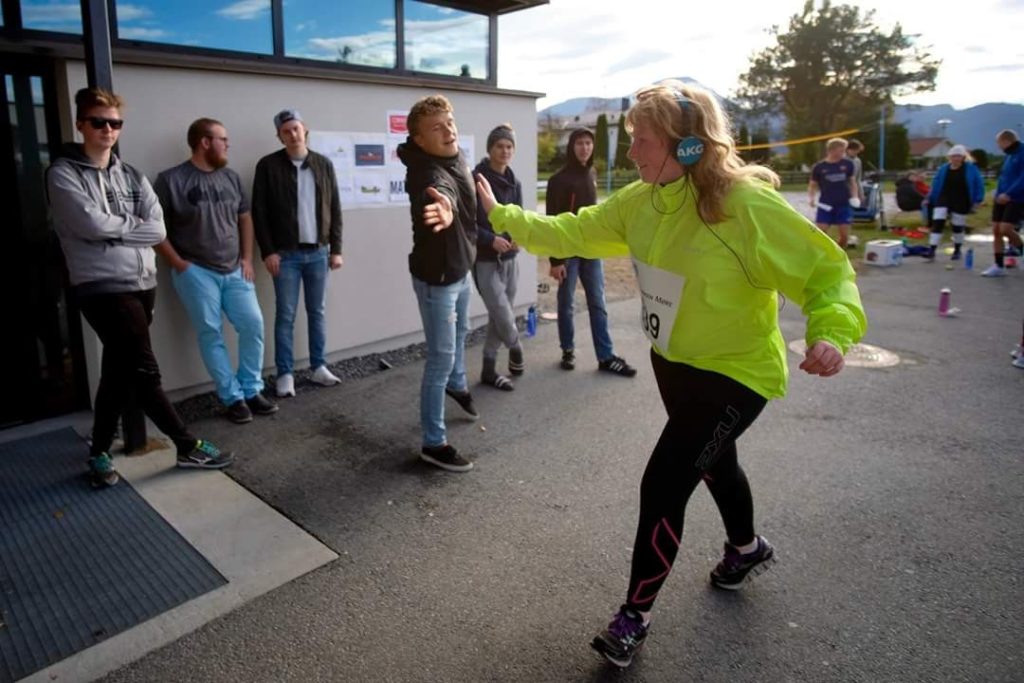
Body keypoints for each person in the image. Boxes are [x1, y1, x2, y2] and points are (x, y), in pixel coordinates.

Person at [470, 80, 867, 669]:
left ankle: (634, 616)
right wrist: (502, 214)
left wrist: (831, 332)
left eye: (643, 141)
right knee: (713, 462)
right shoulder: (641, 200)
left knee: (665, 481)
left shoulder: (745, 206)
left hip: (737, 372)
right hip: (673, 363)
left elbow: (826, 274)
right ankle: (747, 549)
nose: (632, 153)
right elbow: (572, 231)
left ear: (686, 147)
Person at [47, 87, 233, 487]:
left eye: (115, 123)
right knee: (145, 369)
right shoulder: (63, 173)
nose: (108, 130)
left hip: (141, 282)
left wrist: (116, 232)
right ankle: (186, 445)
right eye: (99, 122)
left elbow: (158, 228)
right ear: (81, 124)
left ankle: (98, 452)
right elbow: (88, 224)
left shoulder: (131, 173)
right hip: (101, 286)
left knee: (118, 370)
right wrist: (132, 230)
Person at [154, 118, 278, 424]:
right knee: (211, 334)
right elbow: (154, 229)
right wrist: (179, 264)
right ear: (204, 142)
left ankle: (251, 389)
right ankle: (231, 397)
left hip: (235, 270)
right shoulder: (171, 180)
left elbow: (245, 218)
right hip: (195, 272)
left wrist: (247, 258)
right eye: (223, 139)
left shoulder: (231, 178)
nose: (228, 144)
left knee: (253, 325)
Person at [398, 94, 479, 473]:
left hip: (460, 270)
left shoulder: (454, 156)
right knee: (440, 359)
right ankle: (434, 443)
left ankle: (457, 384)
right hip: (438, 281)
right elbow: (440, 190)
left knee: (461, 333)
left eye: (450, 122)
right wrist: (444, 206)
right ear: (419, 139)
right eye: (437, 127)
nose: (448, 130)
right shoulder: (426, 173)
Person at [252, 109, 344, 397]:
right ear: (279, 136)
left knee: (317, 312)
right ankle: (285, 373)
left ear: (305, 130)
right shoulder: (268, 166)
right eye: (286, 131)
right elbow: (259, 212)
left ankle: (318, 367)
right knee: (286, 315)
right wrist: (268, 251)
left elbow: (335, 208)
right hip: (286, 255)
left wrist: (336, 249)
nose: (292, 134)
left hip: (319, 253)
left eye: (296, 128)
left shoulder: (323, 164)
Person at [546, 127, 637, 376]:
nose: (584, 148)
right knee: (566, 304)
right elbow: (552, 222)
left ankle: (605, 356)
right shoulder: (558, 180)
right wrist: (556, 260)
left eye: (588, 143)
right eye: (579, 143)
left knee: (598, 303)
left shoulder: (591, 173)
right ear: (571, 147)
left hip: (591, 250)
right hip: (568, 253)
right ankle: (567, 349)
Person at [472, 124, 525, 391]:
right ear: (490, 149)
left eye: (509, 146)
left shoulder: (515, 183)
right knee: (503, 313)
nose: (504, 151)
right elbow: (466, 222)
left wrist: (518, 236)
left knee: (497, 316)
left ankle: (489, 370)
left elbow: (519, 216)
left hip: (511, 259)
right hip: (484, 259)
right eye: (499, 146)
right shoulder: (477, 179)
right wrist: (490, 239)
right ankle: (516, 346)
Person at [923, 145, 985, 261]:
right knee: (937, 222)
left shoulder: (971, 169)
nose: (956, 158)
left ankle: (957, 249)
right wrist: (929, 197)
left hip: (961, 198)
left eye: (958, 156)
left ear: (963, 157)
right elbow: (935, 184)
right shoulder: (944, 169)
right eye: (953, 156)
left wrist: (978, 199)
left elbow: (979, 184)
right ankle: (932, 249)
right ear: (949, 157)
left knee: (957, 225)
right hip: (943, 198)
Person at [981, 129, 1024, 277]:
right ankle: (998, 265)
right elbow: (1004, 177)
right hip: (1001, 198)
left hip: (1017, 198)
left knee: (1006, 229)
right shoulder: (1009, 156)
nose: (998, 146)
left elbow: (1022, 178)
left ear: (1006, 141)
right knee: (996, 230)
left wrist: (1010, 193)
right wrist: (998, 194)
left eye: (999, 143)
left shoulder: (1022, 153)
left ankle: (1022, 250)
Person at [809, 137, 859, 249]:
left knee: (844, 236)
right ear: (832, 150)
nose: (843, 153)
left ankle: (839, 253)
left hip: (843, 204)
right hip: (825, 205)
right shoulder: (819, 167)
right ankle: (825, 254)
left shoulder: (848, 164)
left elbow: (852, 182)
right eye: (841, 150)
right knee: (821, 233)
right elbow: (812, 185)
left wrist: (855, 196)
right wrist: (812, 198)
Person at [846, 138, 865, 203]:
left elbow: (858, 179)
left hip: (854, 191)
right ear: (848, 150)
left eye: (857, 150)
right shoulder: (842, 160)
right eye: (853, 150)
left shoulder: (858, 161)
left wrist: (861, 194)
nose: (855, 152)